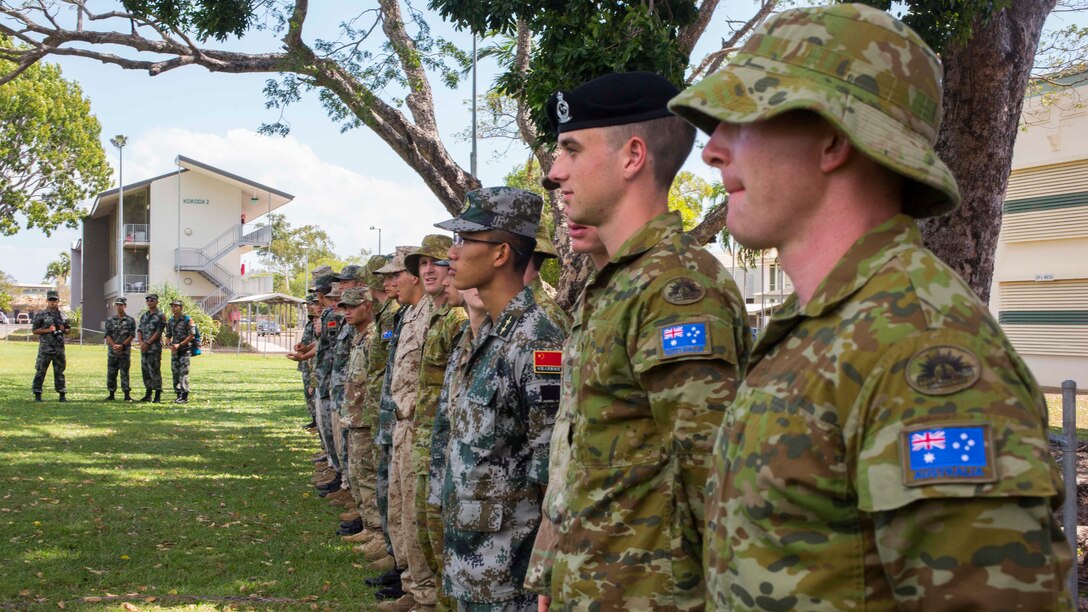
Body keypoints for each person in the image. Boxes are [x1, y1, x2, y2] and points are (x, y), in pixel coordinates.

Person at [668, 4, 1074, 608]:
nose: (713, 150)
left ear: (833, 139)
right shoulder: (819, 329)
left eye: (741, 116)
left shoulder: (924, 350)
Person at [544, 72, 751, 609]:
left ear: (632, 156)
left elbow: (715, 486)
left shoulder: (676, 290)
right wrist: (556, 571)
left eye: (570, 148)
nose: (554, 172)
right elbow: (596, 460)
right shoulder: (619, 283)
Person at [436, 186, 567, 611]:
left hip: (512, 578)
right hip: (475, 563)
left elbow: (552, 469)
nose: (452, 253)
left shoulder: (536, 339)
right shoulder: (492, 334)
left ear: (500, 254)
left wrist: (548, 572)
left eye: (466, 240)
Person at [524, 220, 607, 605]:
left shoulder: (542, 325)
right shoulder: (596, 296)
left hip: (622, 569)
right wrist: (547, 562)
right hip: (574, 548)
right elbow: (565, 444)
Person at [406, 235, 466, 612]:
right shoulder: (439, 315)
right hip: (426, 437)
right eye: (422, 263)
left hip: (442, 448)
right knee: (426, 530)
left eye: (437, 262)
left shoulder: (457, 318)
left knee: (441, 537)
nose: (428, 269)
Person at [383, 239, 436, 612]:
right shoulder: (411, 314)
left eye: (397, 273)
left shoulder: (437, 314)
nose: (392, 282)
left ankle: (425, 594)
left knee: (418, 515)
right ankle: (411, 585)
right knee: (402, 506)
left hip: (422, 428)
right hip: (404, 423)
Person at [31, 289, 69, 402]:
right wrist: (48, 330)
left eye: (55, 300)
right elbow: (35, 330)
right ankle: (37, 394)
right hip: (45, 348)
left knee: (60, 372)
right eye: (50, 300)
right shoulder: (41, 314)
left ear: (58, 301)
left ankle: (62, 394)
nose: (53, 302)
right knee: (40, 371)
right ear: (47, 301)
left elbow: (68, 329)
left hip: (59, 348)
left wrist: (64, 330)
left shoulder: (63, 315)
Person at [104, 297, 137, 401]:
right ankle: (111, 394)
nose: (119, 306)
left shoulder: (130, 320)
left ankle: (126, 394)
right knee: (111, 373)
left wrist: (122, 345)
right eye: (117, 305)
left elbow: (132, 335)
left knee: (124, 373)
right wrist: (114, 345)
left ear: (125, 306)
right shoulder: (110, 320)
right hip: (112, 352)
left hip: (124, 351)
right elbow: (107, 335)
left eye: (121, 305)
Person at [137, 294, 167, 403]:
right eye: (148, 301)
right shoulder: (144, 316)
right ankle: (148, 394)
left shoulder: (160, 316)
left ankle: (157, 395)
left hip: (154, 348)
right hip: (144, 348)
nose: (149, 302)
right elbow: (139, 330)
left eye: (152, 300)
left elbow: (158, 332)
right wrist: (141, 343)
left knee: (154, 370)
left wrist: (147, 343)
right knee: (145, 370)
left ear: (157, 302)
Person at [164, 299, 195, 404]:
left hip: (185, 350)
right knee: (175, 372)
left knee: (183, 373)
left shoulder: (187, 320)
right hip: (175, 351)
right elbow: (168, 336)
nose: (174, 308)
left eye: (176, 306)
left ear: (181, 308)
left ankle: (184, 396)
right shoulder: (171, 321)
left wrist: (180, 344)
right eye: (172, 306)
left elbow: (192, 335)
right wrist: (170, 345)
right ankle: (178, 394)